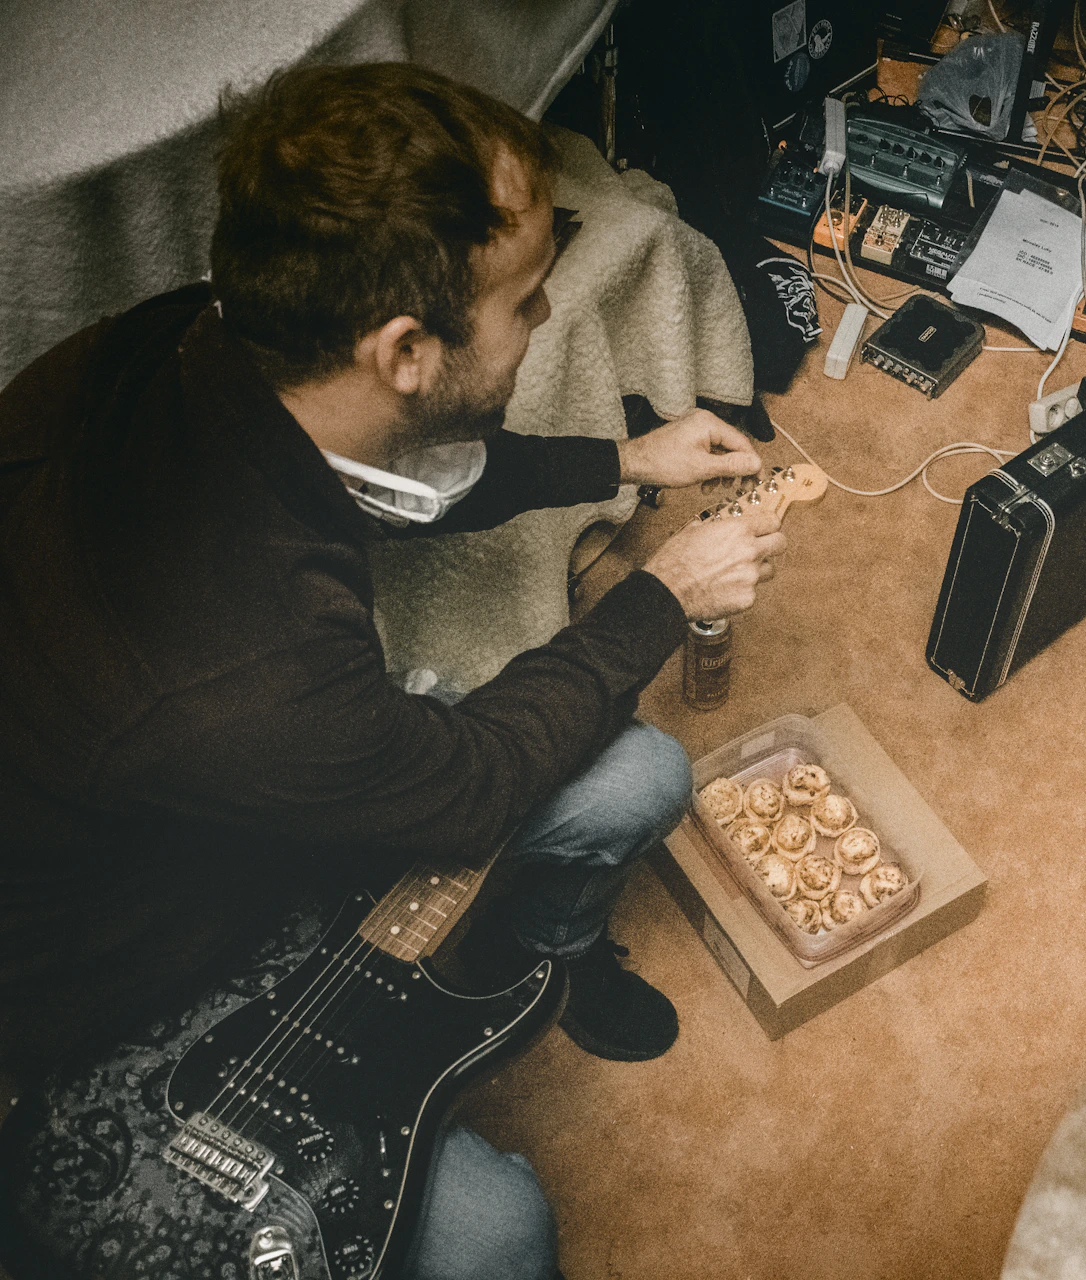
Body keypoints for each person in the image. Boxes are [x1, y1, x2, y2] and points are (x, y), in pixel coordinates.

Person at [0, 63, 786, 1279]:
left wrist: (621, 454)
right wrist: (663, 596)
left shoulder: (194, 343)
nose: (546, 316)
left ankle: (553, 949)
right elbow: (472, 783)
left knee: (639, 777)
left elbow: (394, 475)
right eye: (530, 296)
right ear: (408, 348)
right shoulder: (249, 670)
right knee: (501, 1234)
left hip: (232, 796)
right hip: (125, 997)